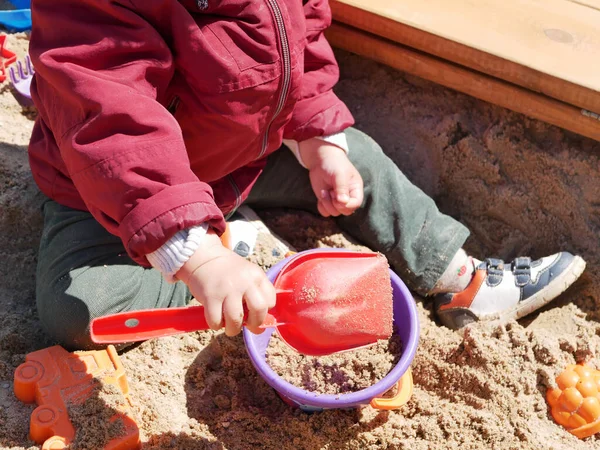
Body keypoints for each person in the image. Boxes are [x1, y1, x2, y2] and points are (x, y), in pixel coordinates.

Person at [27, 0, 585, 350]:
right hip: (112, 192)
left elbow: (303, 42)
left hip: (242, 158)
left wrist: (318, 141)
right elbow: (113, 125)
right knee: (76, 310)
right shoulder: (88, 9)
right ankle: (237, 252)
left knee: (356, 158)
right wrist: (201, 257)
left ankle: (462, 282)